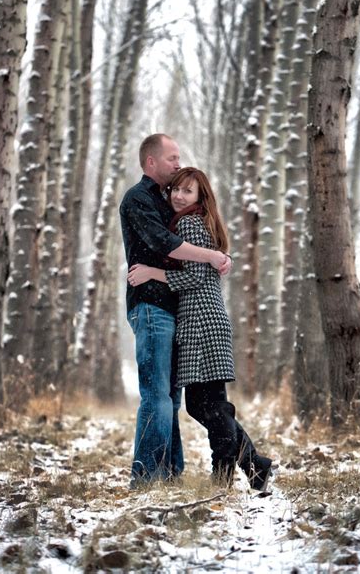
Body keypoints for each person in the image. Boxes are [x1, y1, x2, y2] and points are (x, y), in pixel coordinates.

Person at [128, 167, 275, 492]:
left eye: (188, 191)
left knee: (207, 406)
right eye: (176, 189)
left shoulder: (190, 223)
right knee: (209, 404)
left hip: (202, 323)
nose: (179, 195)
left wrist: (152, 272)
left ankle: (228, 476)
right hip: (204, 321)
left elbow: (195, 277)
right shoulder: (199, 222)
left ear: (200, 197)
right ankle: (253, 467)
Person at [120, 135, 231, 488]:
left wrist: (214, 253)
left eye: (179, 158)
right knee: (156, 395)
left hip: (176, 310)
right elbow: (163, 244)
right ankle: (147, 479)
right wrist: (212, 257)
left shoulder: (169, 203)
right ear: (150, 162)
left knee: (170, 397)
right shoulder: (138, 199)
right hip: (151, 307)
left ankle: (170, 474)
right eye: (172, 158)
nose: (178, 164)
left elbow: (189, 250)